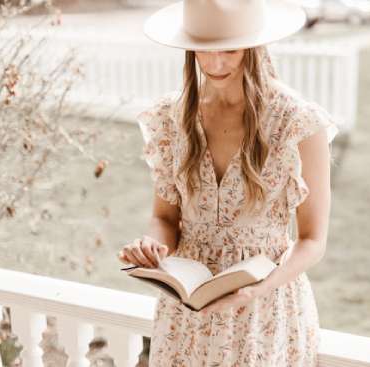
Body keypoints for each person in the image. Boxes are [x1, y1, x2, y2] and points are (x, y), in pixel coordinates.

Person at [117, 0, 339, 365]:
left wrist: (255, 291)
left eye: (230, 50)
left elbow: (313, 240)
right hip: (186, 313)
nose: (216, 63)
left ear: (254, 46)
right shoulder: (171, 118)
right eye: (204, 50)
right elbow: (166, 219)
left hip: (265, 310)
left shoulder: (297, 123)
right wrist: (152, 249)